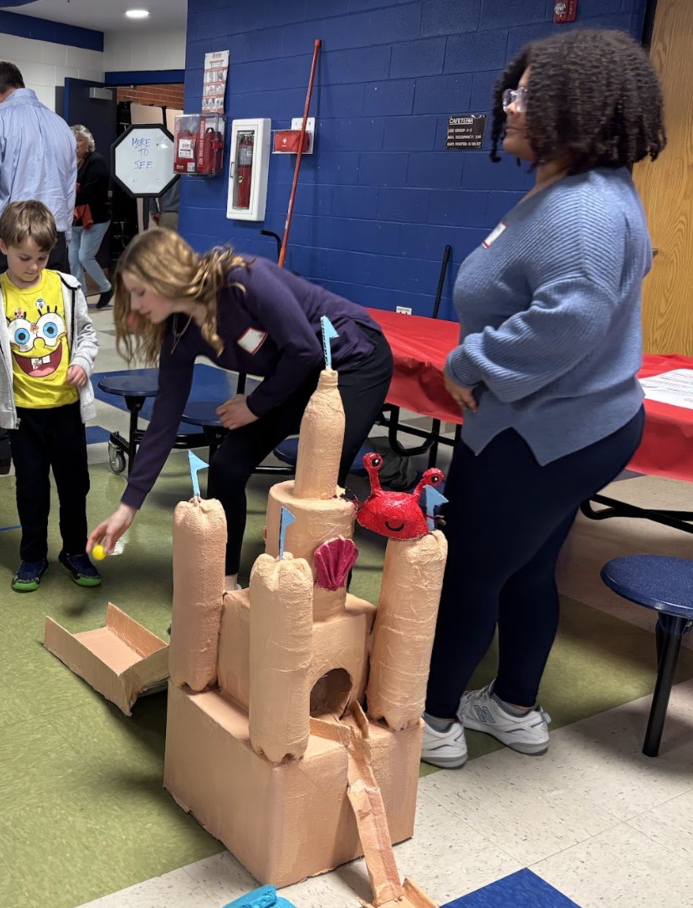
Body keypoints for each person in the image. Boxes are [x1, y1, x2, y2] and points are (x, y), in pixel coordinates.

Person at [420, 29, 666, 770]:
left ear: (576, 104)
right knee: (527, 569)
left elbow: (572, 317)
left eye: (524, 97)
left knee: (470, 571)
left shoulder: (581, 209)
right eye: (510, 91)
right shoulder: (575, 190)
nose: (508, 108)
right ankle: (513, 707)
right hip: (575, 426)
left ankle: (430, 721)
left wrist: (473, 358)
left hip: (541, 434)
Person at [87, 228, 394, 591]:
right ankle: (226, 584)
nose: (135, 305)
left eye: (140, 292)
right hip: (298, 372)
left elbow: (306, 350)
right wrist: (128, 506)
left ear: (167, 276)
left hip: (354, 360)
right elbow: (163, 423)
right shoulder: (180, 334)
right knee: (227, 465)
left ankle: (328, 597)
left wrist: (255, 405)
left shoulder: (244, 280)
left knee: (324, 479)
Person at [0, 200, 100, 592]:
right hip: (22, 416)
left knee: (75, 486)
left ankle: (75, 550)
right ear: (3, 247)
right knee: (31, 490)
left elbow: (88, 336)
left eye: (42, 257)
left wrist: (81, 360)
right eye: (25, 257)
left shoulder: (67, 288)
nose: (34, 267)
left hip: (65, 411)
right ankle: (32, 556)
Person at [0, 61, 76, 283]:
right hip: (52, 246)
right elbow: (68, 195)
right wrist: (64, 246)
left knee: (4, 317)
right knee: (52, 317)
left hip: (13, 246)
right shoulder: (62, 125)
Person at [68, 124, 113, 310]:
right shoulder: (71, 162)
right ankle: (81, 296)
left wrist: (69, 196)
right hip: (75, 219)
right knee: (73, 259)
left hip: (95, 217)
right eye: (73, 140)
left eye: (79, 140)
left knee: (85, 256)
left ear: (89, 143)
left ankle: (106, 287)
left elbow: (90, 192)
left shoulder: (96, 161)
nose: (75, 144)